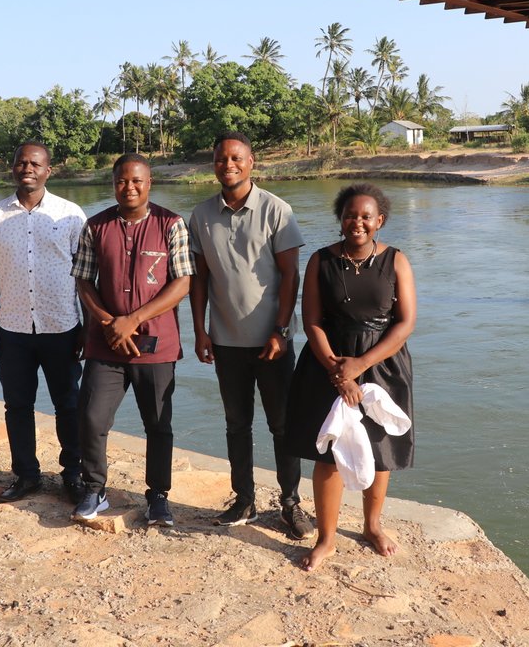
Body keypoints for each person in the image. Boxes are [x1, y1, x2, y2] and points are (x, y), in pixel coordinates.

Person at [285, 183, 416, 571]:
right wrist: (338, 372)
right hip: (327, 362)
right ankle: (326, 538)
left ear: (380, 221)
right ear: (340, 219)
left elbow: (405, 323)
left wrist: (360, 366)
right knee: (328, 453)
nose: (356, 222)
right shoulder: (320, 261)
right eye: (349, 215)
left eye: (365, 216)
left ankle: (372, 526)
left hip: (383, 363)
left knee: (380, 451)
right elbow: (311, 321)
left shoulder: (396, 261)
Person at [188, 132, 314, 539]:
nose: (229, 164)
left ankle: (290, 503)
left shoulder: (277, 210)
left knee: (283, 426)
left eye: (237, 158)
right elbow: (200, 278)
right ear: (214, 164)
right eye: (222, 158)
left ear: (251, 162)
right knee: (236, 424)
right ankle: (243, 499)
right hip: (225, 341)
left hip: (272, 343)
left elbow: (290, 274)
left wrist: (281, 330)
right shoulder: (201, 215)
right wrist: (200, 331)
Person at [70, 154, 194, 526]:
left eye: (137, 181)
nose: (130, 187)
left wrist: (134, 320)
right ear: (114, 184)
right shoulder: (96, 226)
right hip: (104, 343)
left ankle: (158, 496)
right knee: (91, 418)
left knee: (158, 423)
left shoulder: (171, 224)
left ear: (150, 182)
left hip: (156, 344)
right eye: (122, 181)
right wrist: (110, 322)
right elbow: (83, 281)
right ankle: (94, 489)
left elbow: (183, 281)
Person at [0, 142, 86, 504]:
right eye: (21, 162)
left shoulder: (71, 215)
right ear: (12, 168)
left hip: (62, 326)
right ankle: (26, 475)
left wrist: (88, 326)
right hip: (12, 329)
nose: (28, 168)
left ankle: (74, 473)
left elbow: (86, 275)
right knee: (17, 406)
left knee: (68, 405)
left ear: (48, 171)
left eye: (35, 163)